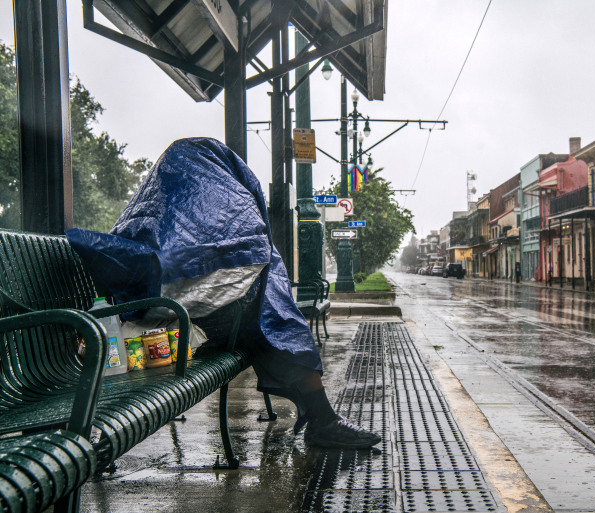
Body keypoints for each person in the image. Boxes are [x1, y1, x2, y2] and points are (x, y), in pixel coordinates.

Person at [67, 138, 380, 449]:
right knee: (268, 311)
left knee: (263, 311)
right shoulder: (204, 204)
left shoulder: (156, 205)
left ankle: (322, 418)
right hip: (176, 326)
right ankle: (323, 419)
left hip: (172, 321)